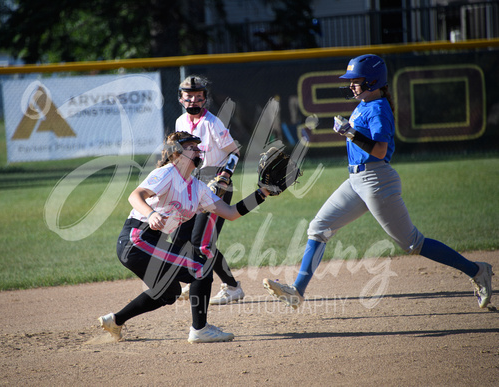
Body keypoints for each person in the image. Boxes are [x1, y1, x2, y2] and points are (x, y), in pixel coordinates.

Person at [263, 54, 494, 310]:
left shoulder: (379, 108)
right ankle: (297, 291)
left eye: (356, 80)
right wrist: (350, 132)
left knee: (412, 243)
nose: (351, 85)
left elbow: (381, 151)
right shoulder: (364, 103)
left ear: (372, 80)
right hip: (356, 180)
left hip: (376, 180)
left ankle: (477, 270)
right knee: (319, 228)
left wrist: (350, 132)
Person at [98, 131, 272, 343]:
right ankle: (200, 329)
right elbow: (135, 195)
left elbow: (230, 212)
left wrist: (262, 193)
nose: (198, 150)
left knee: (169, 292)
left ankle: (115, 321)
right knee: (200, 267)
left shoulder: (196, 187)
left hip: (149, 243)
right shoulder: (167, 173)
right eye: (192, 147)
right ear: (177, 153)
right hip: (136, 240)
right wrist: (151, 214)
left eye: (198, 146)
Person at [174, 75, 245, 305]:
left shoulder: (212, 123)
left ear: (205, 99)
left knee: (202, 243)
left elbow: (234, 152)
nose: (193, 100)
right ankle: (201, 280)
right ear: (181, 98)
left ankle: (232, 287)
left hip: (216, 185)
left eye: (198, 96)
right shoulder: (180, 122)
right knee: (186, 240)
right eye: (189, 96)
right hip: (192, 185)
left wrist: (224, 176)